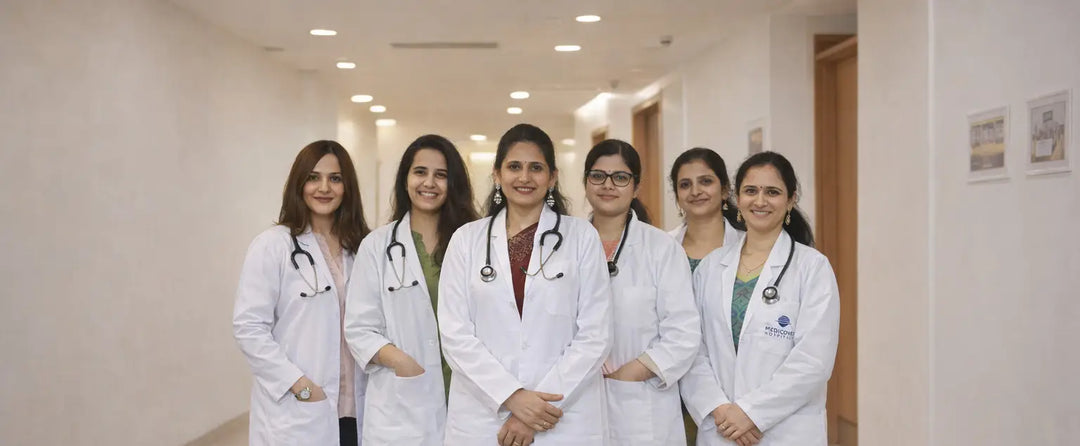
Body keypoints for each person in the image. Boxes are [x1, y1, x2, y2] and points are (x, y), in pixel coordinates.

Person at [437, 123, 612, 446]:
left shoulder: (581, 237)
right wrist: (513, 397)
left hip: (561, 415)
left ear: (553, 177)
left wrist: (536, 409)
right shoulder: (466, 240)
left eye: (536, 168)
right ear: (497, 175)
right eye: (514, 167)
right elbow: (455, 334)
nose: (524, 177)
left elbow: (595, 333)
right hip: (483, 416)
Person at [679, 151, 840, 446]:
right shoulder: (711, 268)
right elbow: (693, 350)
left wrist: (751, 414)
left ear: (791, 200)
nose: (760, 201)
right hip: (722, 427)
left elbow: (813, 361)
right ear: (738, 199)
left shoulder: (812, 268)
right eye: (751, 191)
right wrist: (719, 409)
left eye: (773, 192)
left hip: (784, 430)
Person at [233, 140, 371, 446]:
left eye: (335, 178)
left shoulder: (360, 247)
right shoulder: (273, 245)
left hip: (355, 407)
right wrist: (298, 384)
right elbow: (249, 327)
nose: (324, 187)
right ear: (299, 184)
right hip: (303, 405)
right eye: (313, 177)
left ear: (347, 187)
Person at [343, 134, 478, 445]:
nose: (429, 183)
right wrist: (404, 364)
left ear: (453, 183)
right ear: (405, 179)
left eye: (441, 175)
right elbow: (360, 328)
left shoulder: (474, 242)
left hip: (468, 392)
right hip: (405, 401)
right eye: (420, 172)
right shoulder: (378, 245)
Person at [582, 139, 701, 445]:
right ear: (585, 182)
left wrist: (634, 373)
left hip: (642, 401)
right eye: (598, 176)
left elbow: (683, 332)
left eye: (620, 178)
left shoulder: (662, 249)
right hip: (576, 398)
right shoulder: (562, 245)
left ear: (635, 187)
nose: (608, 185)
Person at [667, 148, 743, 273]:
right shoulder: (664, 245)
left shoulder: (745, 244)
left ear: (724, 190)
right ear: (677, 196)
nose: (695, 192)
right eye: (685, 185)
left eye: (706, 181)